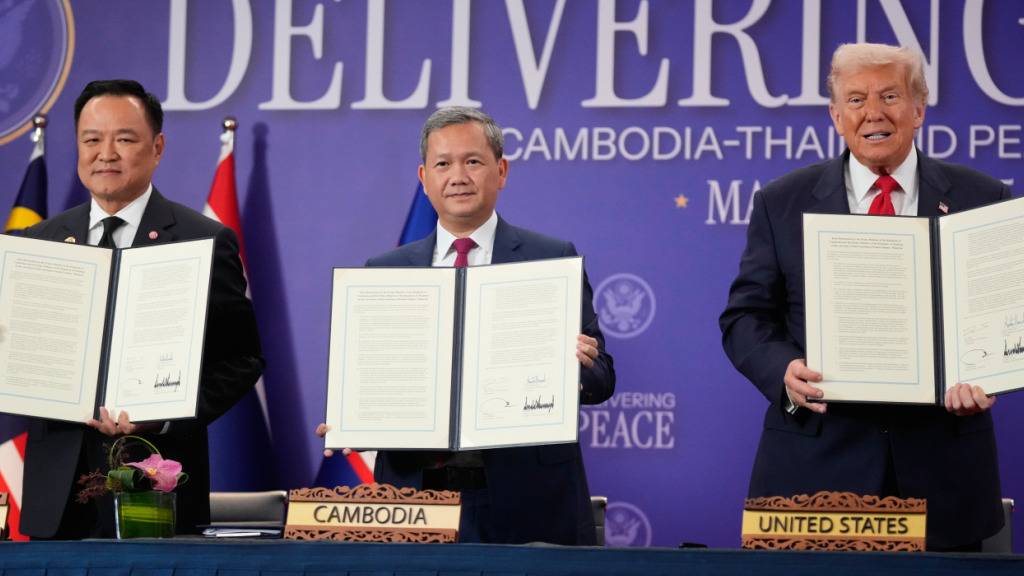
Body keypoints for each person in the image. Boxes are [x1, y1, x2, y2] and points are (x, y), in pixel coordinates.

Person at [720, 43, 1009, 551]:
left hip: (943, 473)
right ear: (835, 115)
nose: (872, 113)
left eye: (890, 95)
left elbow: (1007, 315)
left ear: (918, 108)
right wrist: (783, 370)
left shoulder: (983, 198)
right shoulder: (781, 202)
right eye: (855, 100)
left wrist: (990, 374)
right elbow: (745, 318)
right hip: (814, 470)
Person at [318, 107, 615, 544]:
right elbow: (374, 379)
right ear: (424, 178)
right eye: (443, 164)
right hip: (415, 499)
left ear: (502, 170)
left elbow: (602, 378)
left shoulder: (551, 259)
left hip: (528, 500)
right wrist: (351, 417)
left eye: (472, 161)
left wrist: (579, 366)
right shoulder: (385, 272)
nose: (458, 175)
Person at [19, 79, 264, 538]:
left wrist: (165, 414)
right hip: (57, 494)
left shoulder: (203, 240)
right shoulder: (41, 242)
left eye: (124, 139)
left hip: (157, 482)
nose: (105, 153)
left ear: (157, 148)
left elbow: (242, 360)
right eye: (92, 140)